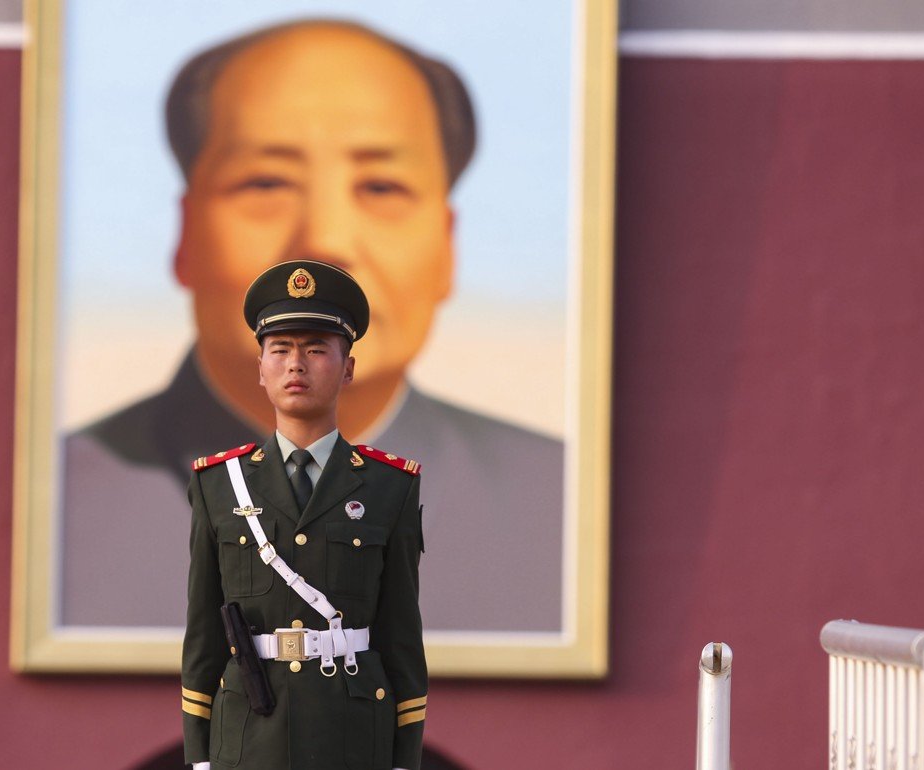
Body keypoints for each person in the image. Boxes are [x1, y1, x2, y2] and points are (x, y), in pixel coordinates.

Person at [61, 19, 564, 632]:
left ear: (447, 245)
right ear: (186, 235)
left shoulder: (557, 506)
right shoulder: (61, 504)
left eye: (382, 186)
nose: (324, 239)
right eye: (266, 182)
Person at [181, 260, 426, 770]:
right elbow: (203, 634)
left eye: (316, 349)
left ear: (348, 367)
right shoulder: (218, 485)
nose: (297, 365)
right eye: (281, 350)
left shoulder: (389, 487)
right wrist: (199, 758)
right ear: (261, 367)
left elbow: (400, 636)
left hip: (353, 738)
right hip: (249, 736)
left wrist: (404, 759)